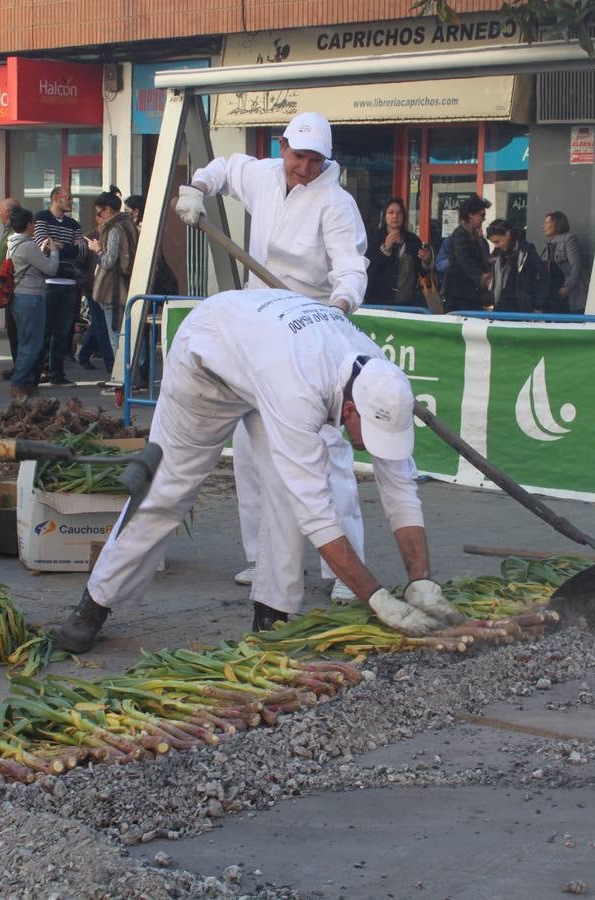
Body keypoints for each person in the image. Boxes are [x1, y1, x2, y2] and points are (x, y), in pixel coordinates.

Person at [54, 289, 463, 652]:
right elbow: (318, 515)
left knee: (286, 495)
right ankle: (95, 603)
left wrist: (420, 582)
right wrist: (378, 599)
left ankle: (270, 616)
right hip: (209, 361)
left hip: (265, 352)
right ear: (351, 409)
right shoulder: (299, 388)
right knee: (168, 490)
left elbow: (400, 489)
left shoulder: (379, 379)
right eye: (368, 434)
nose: (370, 446)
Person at [174, 110, 369, 608]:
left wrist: (338, 307)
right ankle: (262, 555)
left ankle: (344, 569)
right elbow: (221, 169)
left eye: (313, 160)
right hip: (259, 327)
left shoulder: (337, 204)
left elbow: (351, 268)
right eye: (297, 156)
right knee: (252, 445)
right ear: (283, 146)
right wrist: (196, 188)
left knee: (328, 453)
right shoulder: (262, 174)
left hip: (310, 330)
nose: (302, 167)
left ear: (325, 160)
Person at [79, 191, 138, 375]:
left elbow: (109, 261)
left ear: (109, 210)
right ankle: (131, 379)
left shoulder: (114, 230)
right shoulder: (130, 226)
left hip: (112, 289)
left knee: (116, 338)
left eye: (100, 212)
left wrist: (97, 249)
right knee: (129, 336)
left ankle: (122, 380)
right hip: (128, 286)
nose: (98, 217)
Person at [6, 206, 61, 399]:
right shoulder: (28, 246)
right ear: (29, 224)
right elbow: (51, 269)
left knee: (25, 341)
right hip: (31, 298)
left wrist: (40, 252)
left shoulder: (11, 242)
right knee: (33, 344)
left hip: (18, 298)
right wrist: (53, 251)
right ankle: (19, 382)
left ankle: (25, 381)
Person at [34, 186, 86, 386]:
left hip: (69, 282)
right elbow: (43, 246)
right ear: (56, 198)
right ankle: (39, 371)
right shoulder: (42, 218)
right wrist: (66, 248)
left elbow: (82, 251)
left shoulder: (74, 224)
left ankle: (58, 373)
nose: (71, 202)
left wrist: (62, 247)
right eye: (68, 198)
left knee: (63, 332)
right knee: (45, 330)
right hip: (49, 282)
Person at [365, 197, 431, 307]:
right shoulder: (374, 238)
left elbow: (421, 272)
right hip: (378, 302)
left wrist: (426, 262)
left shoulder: (413, 240)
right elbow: (368, 268)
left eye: (399, 213)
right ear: (384, 216)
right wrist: (385, 249)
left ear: (404, 217)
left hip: (406, 302)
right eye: (391, 213)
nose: (395, 216)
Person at [485, 218, 547, 313]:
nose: (497, 246)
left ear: (508, 234)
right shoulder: (498, 255)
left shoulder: (527, 251)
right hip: (502, 306)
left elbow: (544, 275)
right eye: (494, 243)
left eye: (498, 241)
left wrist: (538, 305)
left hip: (522, 308)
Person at [442, 195, 492, 312]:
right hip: (459, 294)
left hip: (470, 293)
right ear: (470, 215)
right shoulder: (460, 235)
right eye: (482, 215)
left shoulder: (475, 236)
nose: (483, 219)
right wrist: (481, 277)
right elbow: (464, 260)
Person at [0, 197, 21, 380]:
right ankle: (17, 366)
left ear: (9, 213)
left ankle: (20, 369)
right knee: (13, 331)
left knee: (16, 330)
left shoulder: (15, 233)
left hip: (14, 288)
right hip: (7, 287)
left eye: (0, 210)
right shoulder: (7, 230)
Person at [540, 211, 586, 313]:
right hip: (552, 295)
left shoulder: (569, 239)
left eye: (547, 223)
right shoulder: (546, 245)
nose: (543, 226)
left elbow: (576, 266)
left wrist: (567, 287)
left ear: (557, 224)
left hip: (568, 295)